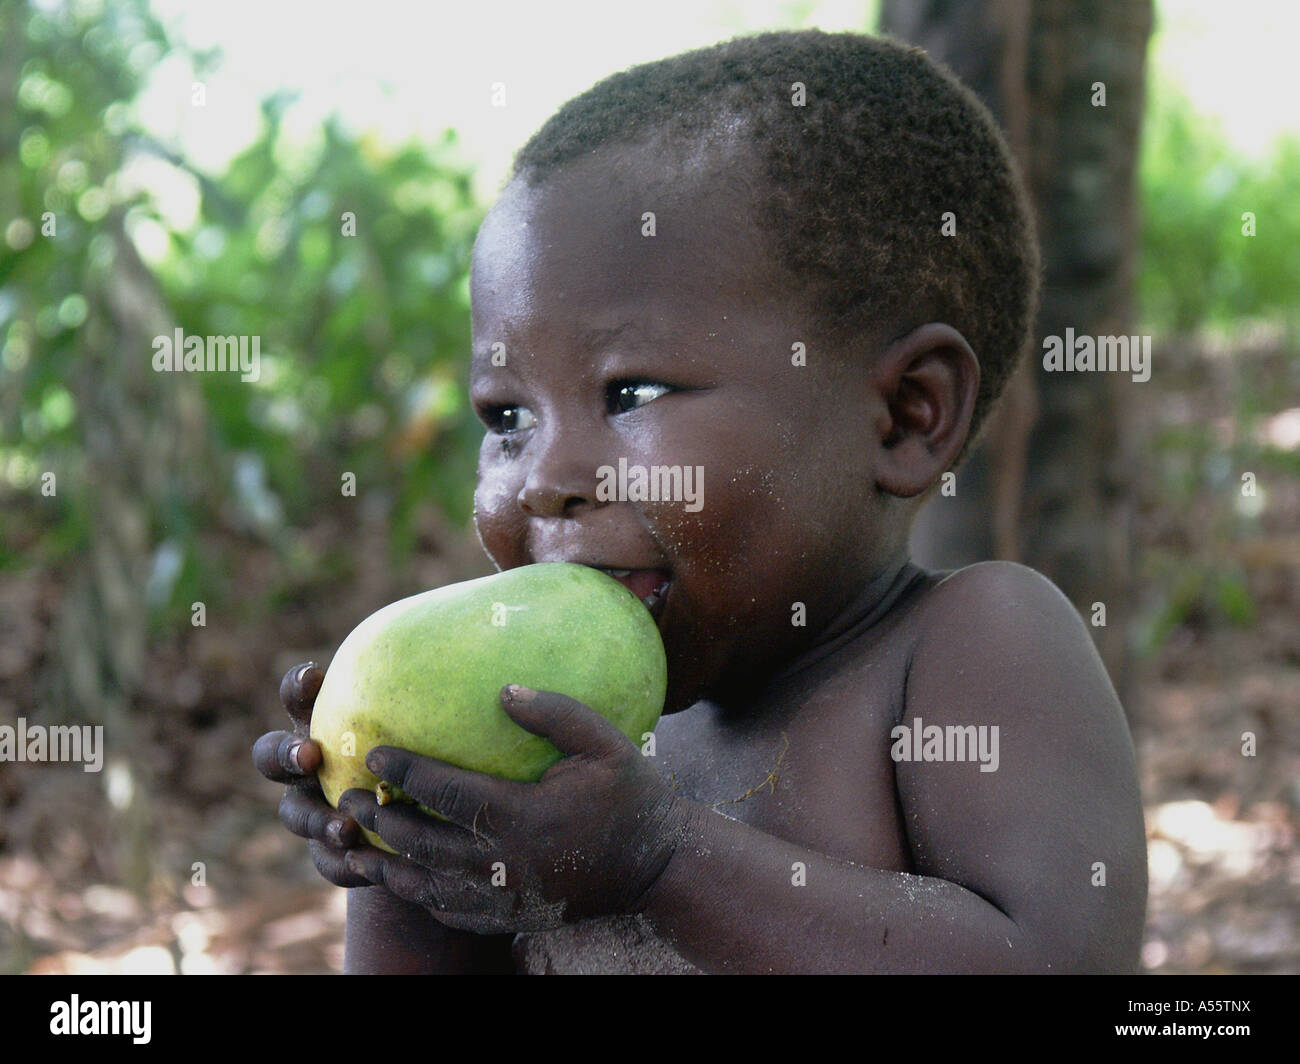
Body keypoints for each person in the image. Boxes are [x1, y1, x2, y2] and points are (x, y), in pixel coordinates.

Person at [253, 28, 1147, 973]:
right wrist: (405, 856)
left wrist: (662, 860)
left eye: (631, 394)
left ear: (903, 416)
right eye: (507, 414)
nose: (547, 476)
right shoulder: (555, 749)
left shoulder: (966, 647)